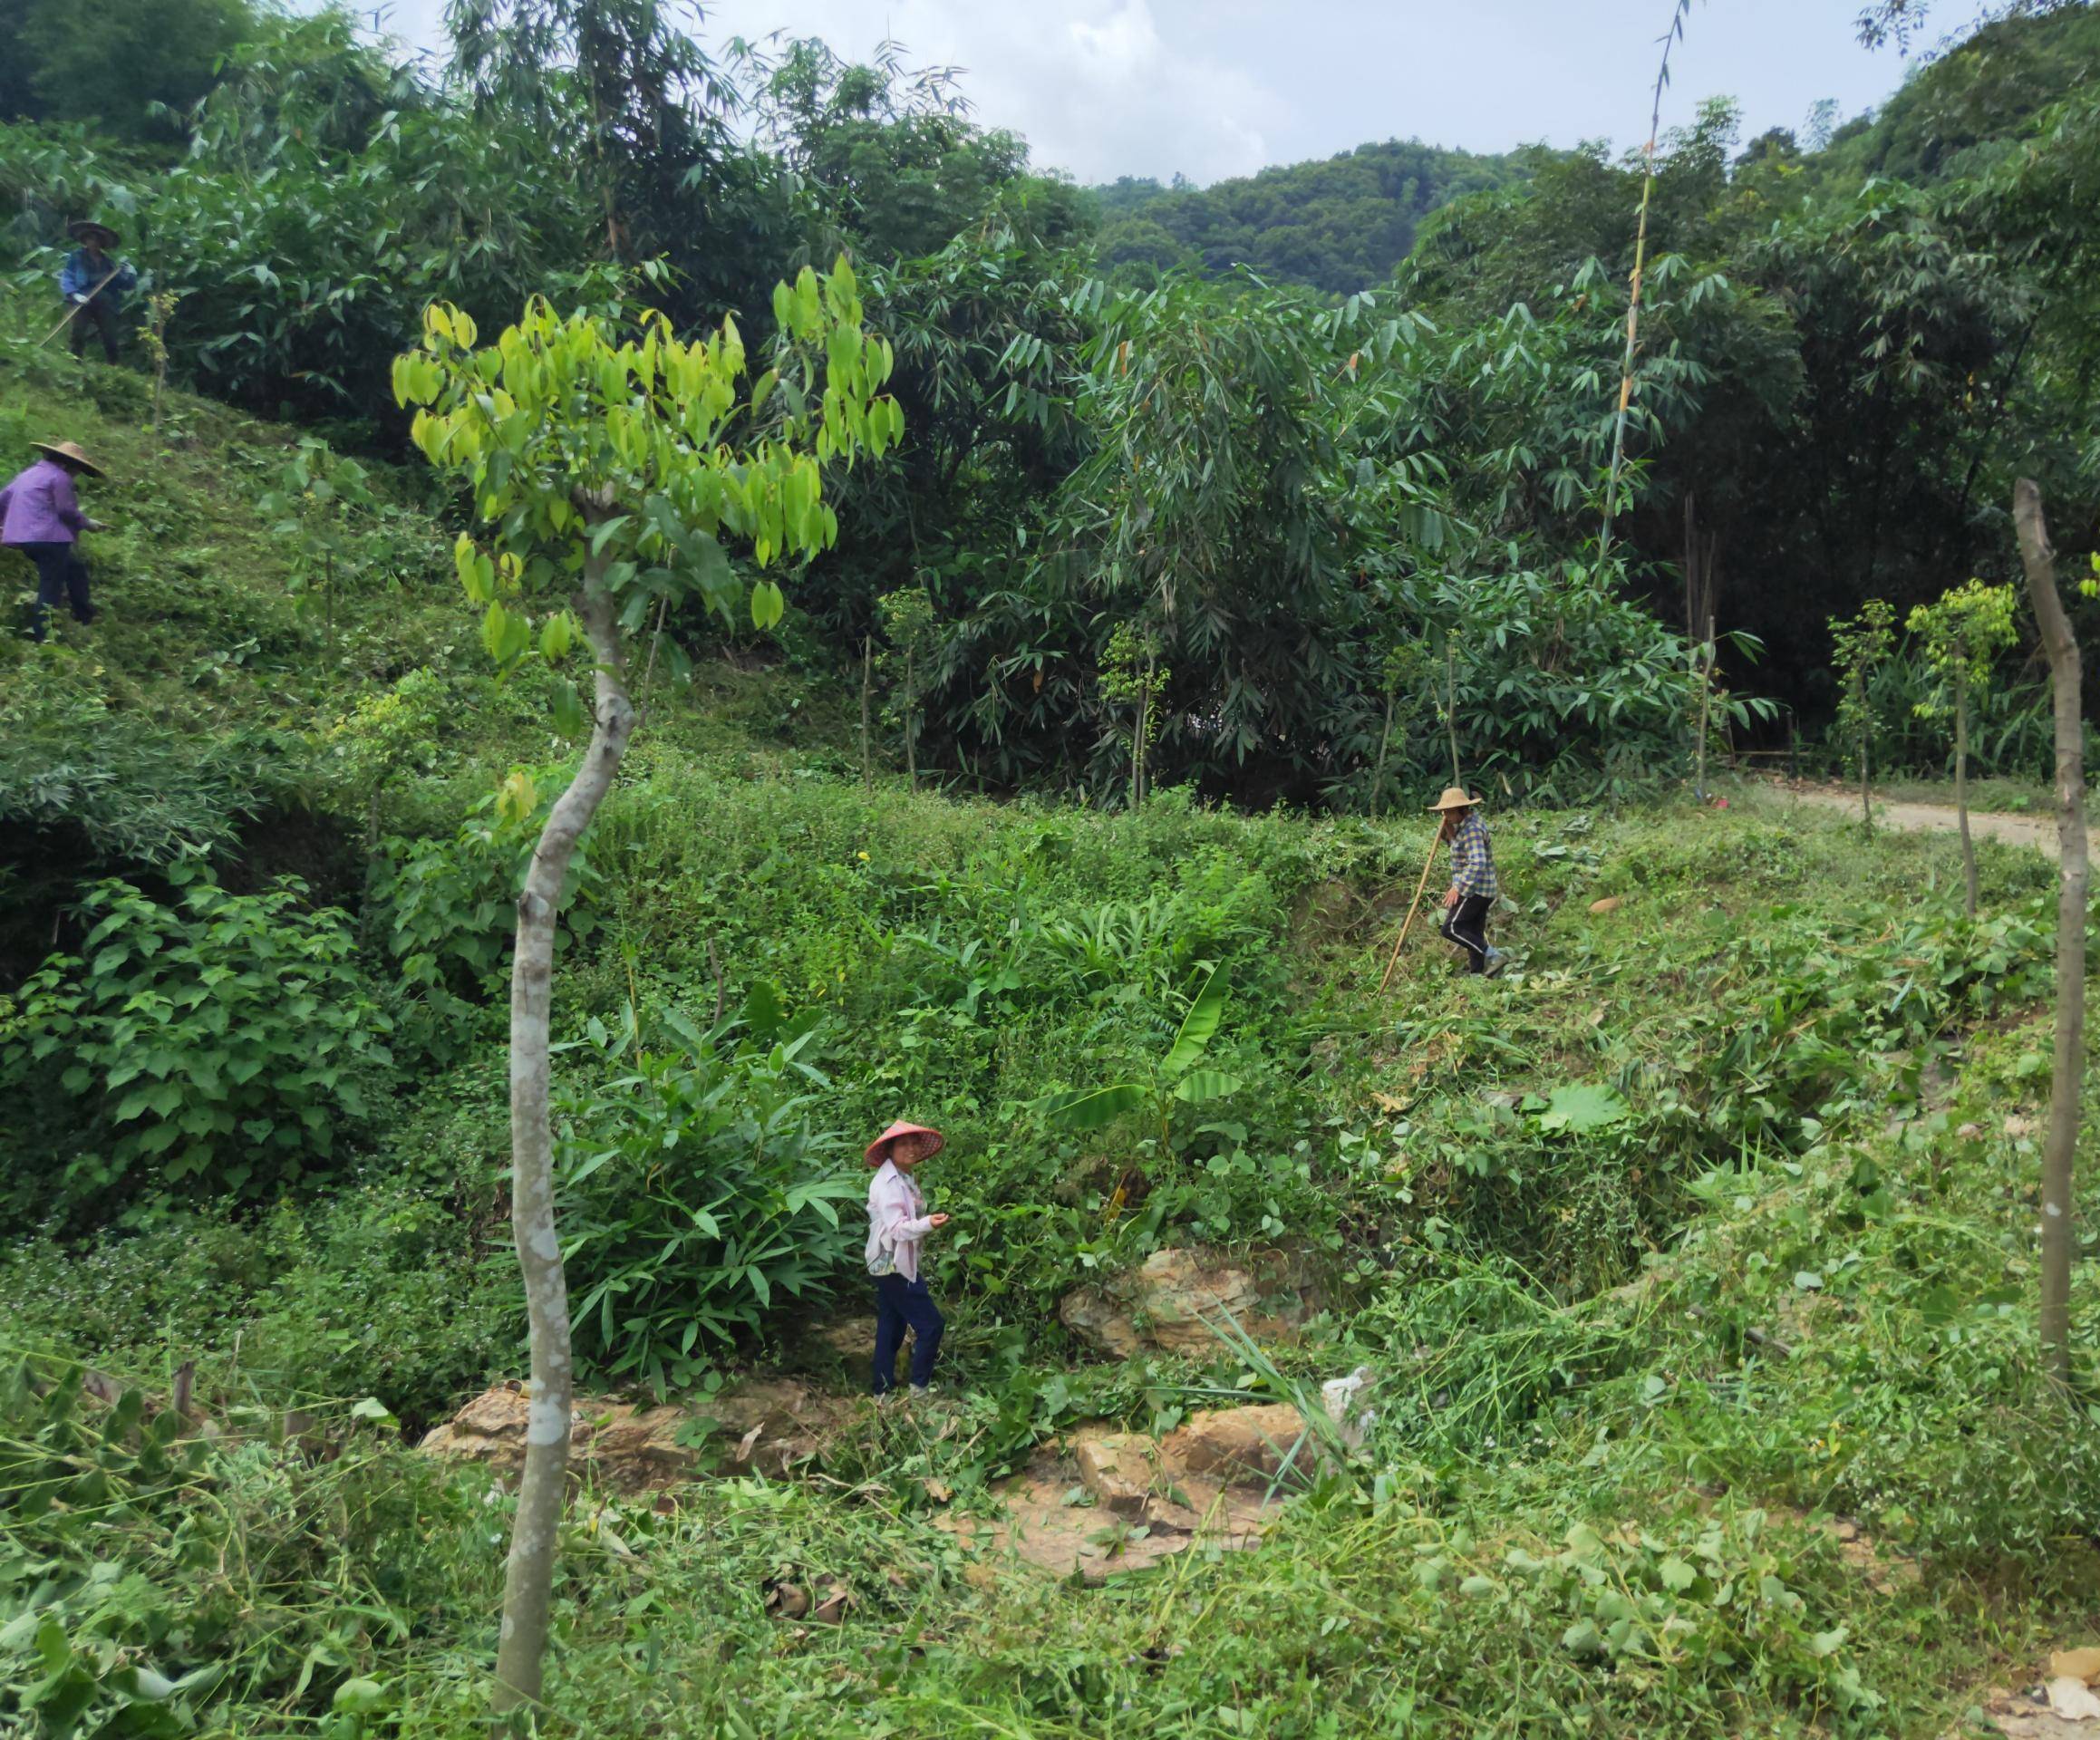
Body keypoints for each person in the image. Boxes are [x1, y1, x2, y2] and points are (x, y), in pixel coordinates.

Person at [863, 1119, 952, 1398]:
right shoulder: (889, 1182)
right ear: (890, 1149)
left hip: (891, 1260)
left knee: (892, 1326)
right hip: (892, 1264)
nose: (911, 1148)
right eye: (904, 1144)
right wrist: (928, 1224)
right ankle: (919, 1388)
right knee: (931, 1324)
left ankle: (882, 1392)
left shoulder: (904, 1176)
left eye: (914, 1143)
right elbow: (897, 1229)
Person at [1, 441, 109, 643]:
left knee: (75, 567)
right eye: (78, 470)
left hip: (25, 539)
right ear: (69, 465)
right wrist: (87, 523)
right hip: (50, 539)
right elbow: (65, 511)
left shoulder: (27, 475)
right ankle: (44, 638)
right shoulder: (60, 477)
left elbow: (2, 501)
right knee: (50, 586)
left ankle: (84, 614)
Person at [1430, 786, 1504, 976]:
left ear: (1462, 809)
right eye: (1444, 811)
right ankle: (1477, 974)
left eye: (1449, 811)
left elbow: (1477, 862)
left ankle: (1494, 955)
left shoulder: (1471, 829)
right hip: (1482, 889)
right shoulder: (1465, 826)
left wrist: (1458, 888)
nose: (1446, 815)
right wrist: (1449, 832)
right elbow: (1462, 851)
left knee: (1451, 928)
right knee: (1473, 931)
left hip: (1475, 890)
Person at [59, 221, 138, 364]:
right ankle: (75, 363)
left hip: (104, 302)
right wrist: (75, 294)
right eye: (90, 239)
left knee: (110, 336)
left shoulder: (108, 263)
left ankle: (113, 367)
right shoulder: (76, 258)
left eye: (97, 240)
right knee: (78, 334)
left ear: (101, 243)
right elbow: (67, 277)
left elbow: (123, 285)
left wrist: (130, 274)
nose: (93, 242)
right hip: (83, 299)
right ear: (85, 240)